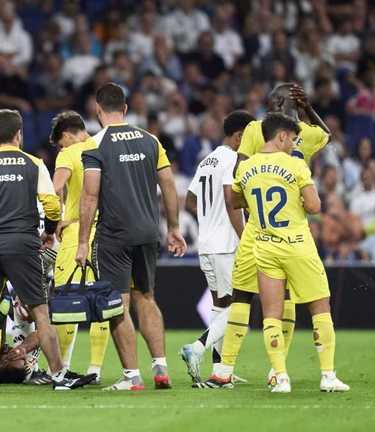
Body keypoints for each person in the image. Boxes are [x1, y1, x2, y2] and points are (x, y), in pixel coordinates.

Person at [0, 109, 93, 391]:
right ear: (19, 134)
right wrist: (50, 231)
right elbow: (52, 204)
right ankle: (59, 375)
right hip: (22, 244)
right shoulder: (34, 164)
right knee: (40, 312)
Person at [211, 83, 330, 388]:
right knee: (280, 297)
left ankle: (228, 368)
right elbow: (326, 134)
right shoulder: (307, 134)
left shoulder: (257, 128)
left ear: (277, 103)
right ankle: (274, 370)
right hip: (292, 227)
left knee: (244, 294)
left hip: (259, 227)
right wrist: (308, 109)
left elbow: (239, 174)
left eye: (273, 101)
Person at [76, 83, 187, 391]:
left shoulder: (94, 144)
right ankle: (161, 369)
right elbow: (168, 184)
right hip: (148, 232)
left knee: (118, 305)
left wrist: (83, 241)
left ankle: (132, 377)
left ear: (97, 110)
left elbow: (90, 195)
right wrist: (174, 227)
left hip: (115, 235)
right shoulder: (151, 140)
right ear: (125, 109)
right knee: (147, 297)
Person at [231, 113, 349, 393]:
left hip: (265, 246)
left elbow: (235, 200)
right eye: (294, 139)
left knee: (271, 314)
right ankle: (328, 376)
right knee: (320, 307)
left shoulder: (245, 166)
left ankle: (281, 378)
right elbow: (314, 206)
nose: (295, 144)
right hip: (297, 245)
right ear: (282, 136)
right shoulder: (295, 164)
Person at [179, 110, 254, 386]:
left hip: (206, 244)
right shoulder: (233, 159)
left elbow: (189, 200)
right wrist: (245, 237)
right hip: (227, 244)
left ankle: (220, 370)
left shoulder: (207, 160)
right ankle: (196, 347)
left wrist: (208, 217)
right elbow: (231, 201)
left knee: (221, 305)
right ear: (239, 136)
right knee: (239, 305)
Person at [48, 111, 110, 384]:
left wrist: (57, 218)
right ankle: (95, 369)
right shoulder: (103, 148)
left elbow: (54, 188)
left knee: (66, 302)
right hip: (107, 232)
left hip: (76, 231)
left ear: (67, 135)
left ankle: (62, 368)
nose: (61, 148)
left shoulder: (68, 154)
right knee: (102, 302)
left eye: (60, 143)